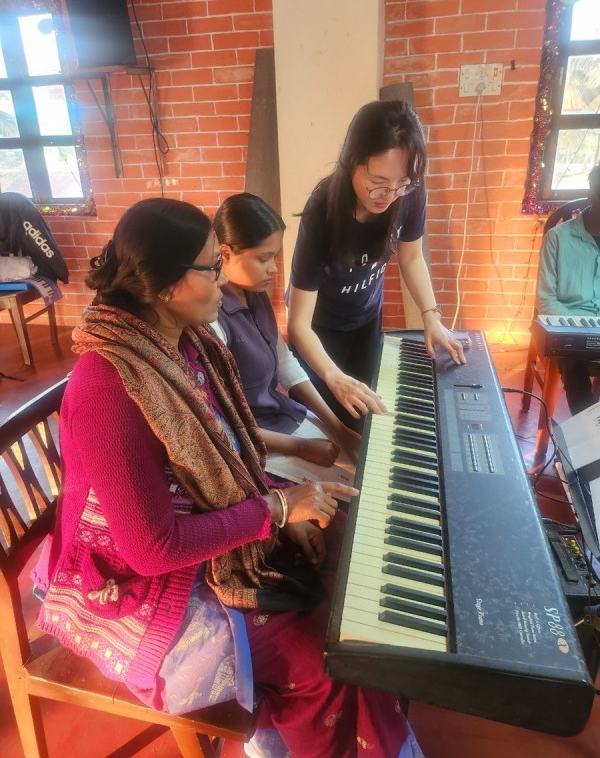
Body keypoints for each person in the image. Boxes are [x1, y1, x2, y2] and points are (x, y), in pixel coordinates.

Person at [31, 198, 424, 758]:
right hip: (142, 587)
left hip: (192, 542)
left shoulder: (185, 346)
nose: (223, 280)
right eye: (212, 267)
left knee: (355, 570)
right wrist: (276, 511)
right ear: (164, 285)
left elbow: (226, 458)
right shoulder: (108, 389)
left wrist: (281, 507)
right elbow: (152, 550)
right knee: (325, 655)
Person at [287, 100, 465, 431]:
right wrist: (332, 375)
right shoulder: (322, 212)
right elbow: (298, 323)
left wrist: (432, 316)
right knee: (323, 428)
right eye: (378, 181)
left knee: (364, 418)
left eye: (402, 183)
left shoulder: (409, 191)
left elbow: (412, 257)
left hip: (367, 318)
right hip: (321, 330)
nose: (390, 194)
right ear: (352, 162)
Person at [212, 192, 360, 483]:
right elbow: (222, 425)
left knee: (361, 464)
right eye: (263, 258)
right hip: (257, 443)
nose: (274, 268)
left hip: (282, 415)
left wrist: (338, 428)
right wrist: (301, 447)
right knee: (350, 490)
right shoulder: (213, 319)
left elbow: (285, 364)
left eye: (275, 257)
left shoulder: (256, 296)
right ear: (226, 254)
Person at [536, 164, 600, 415]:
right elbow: (545, 299)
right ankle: (588, 434)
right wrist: (579, 327)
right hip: (567, 326)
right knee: (573, 362)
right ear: (592, 194)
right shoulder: (558, 238)